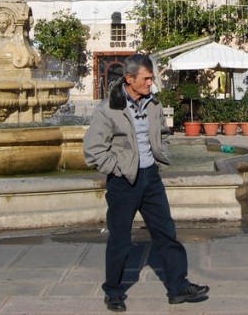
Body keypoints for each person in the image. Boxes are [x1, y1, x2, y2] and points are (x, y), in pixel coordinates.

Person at [83, 54, 209, 312]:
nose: (151, 82)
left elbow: (162, 134)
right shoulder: (109, 109)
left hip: (151, 178)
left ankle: (178, 287)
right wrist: (117, 169)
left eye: (151, 78)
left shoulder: (154, 105)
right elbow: (93, 150)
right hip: (123, 182)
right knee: (120, 239)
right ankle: (114, 292)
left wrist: (160, 157)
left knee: (166, 233)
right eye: (147, 78)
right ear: (129, 79)